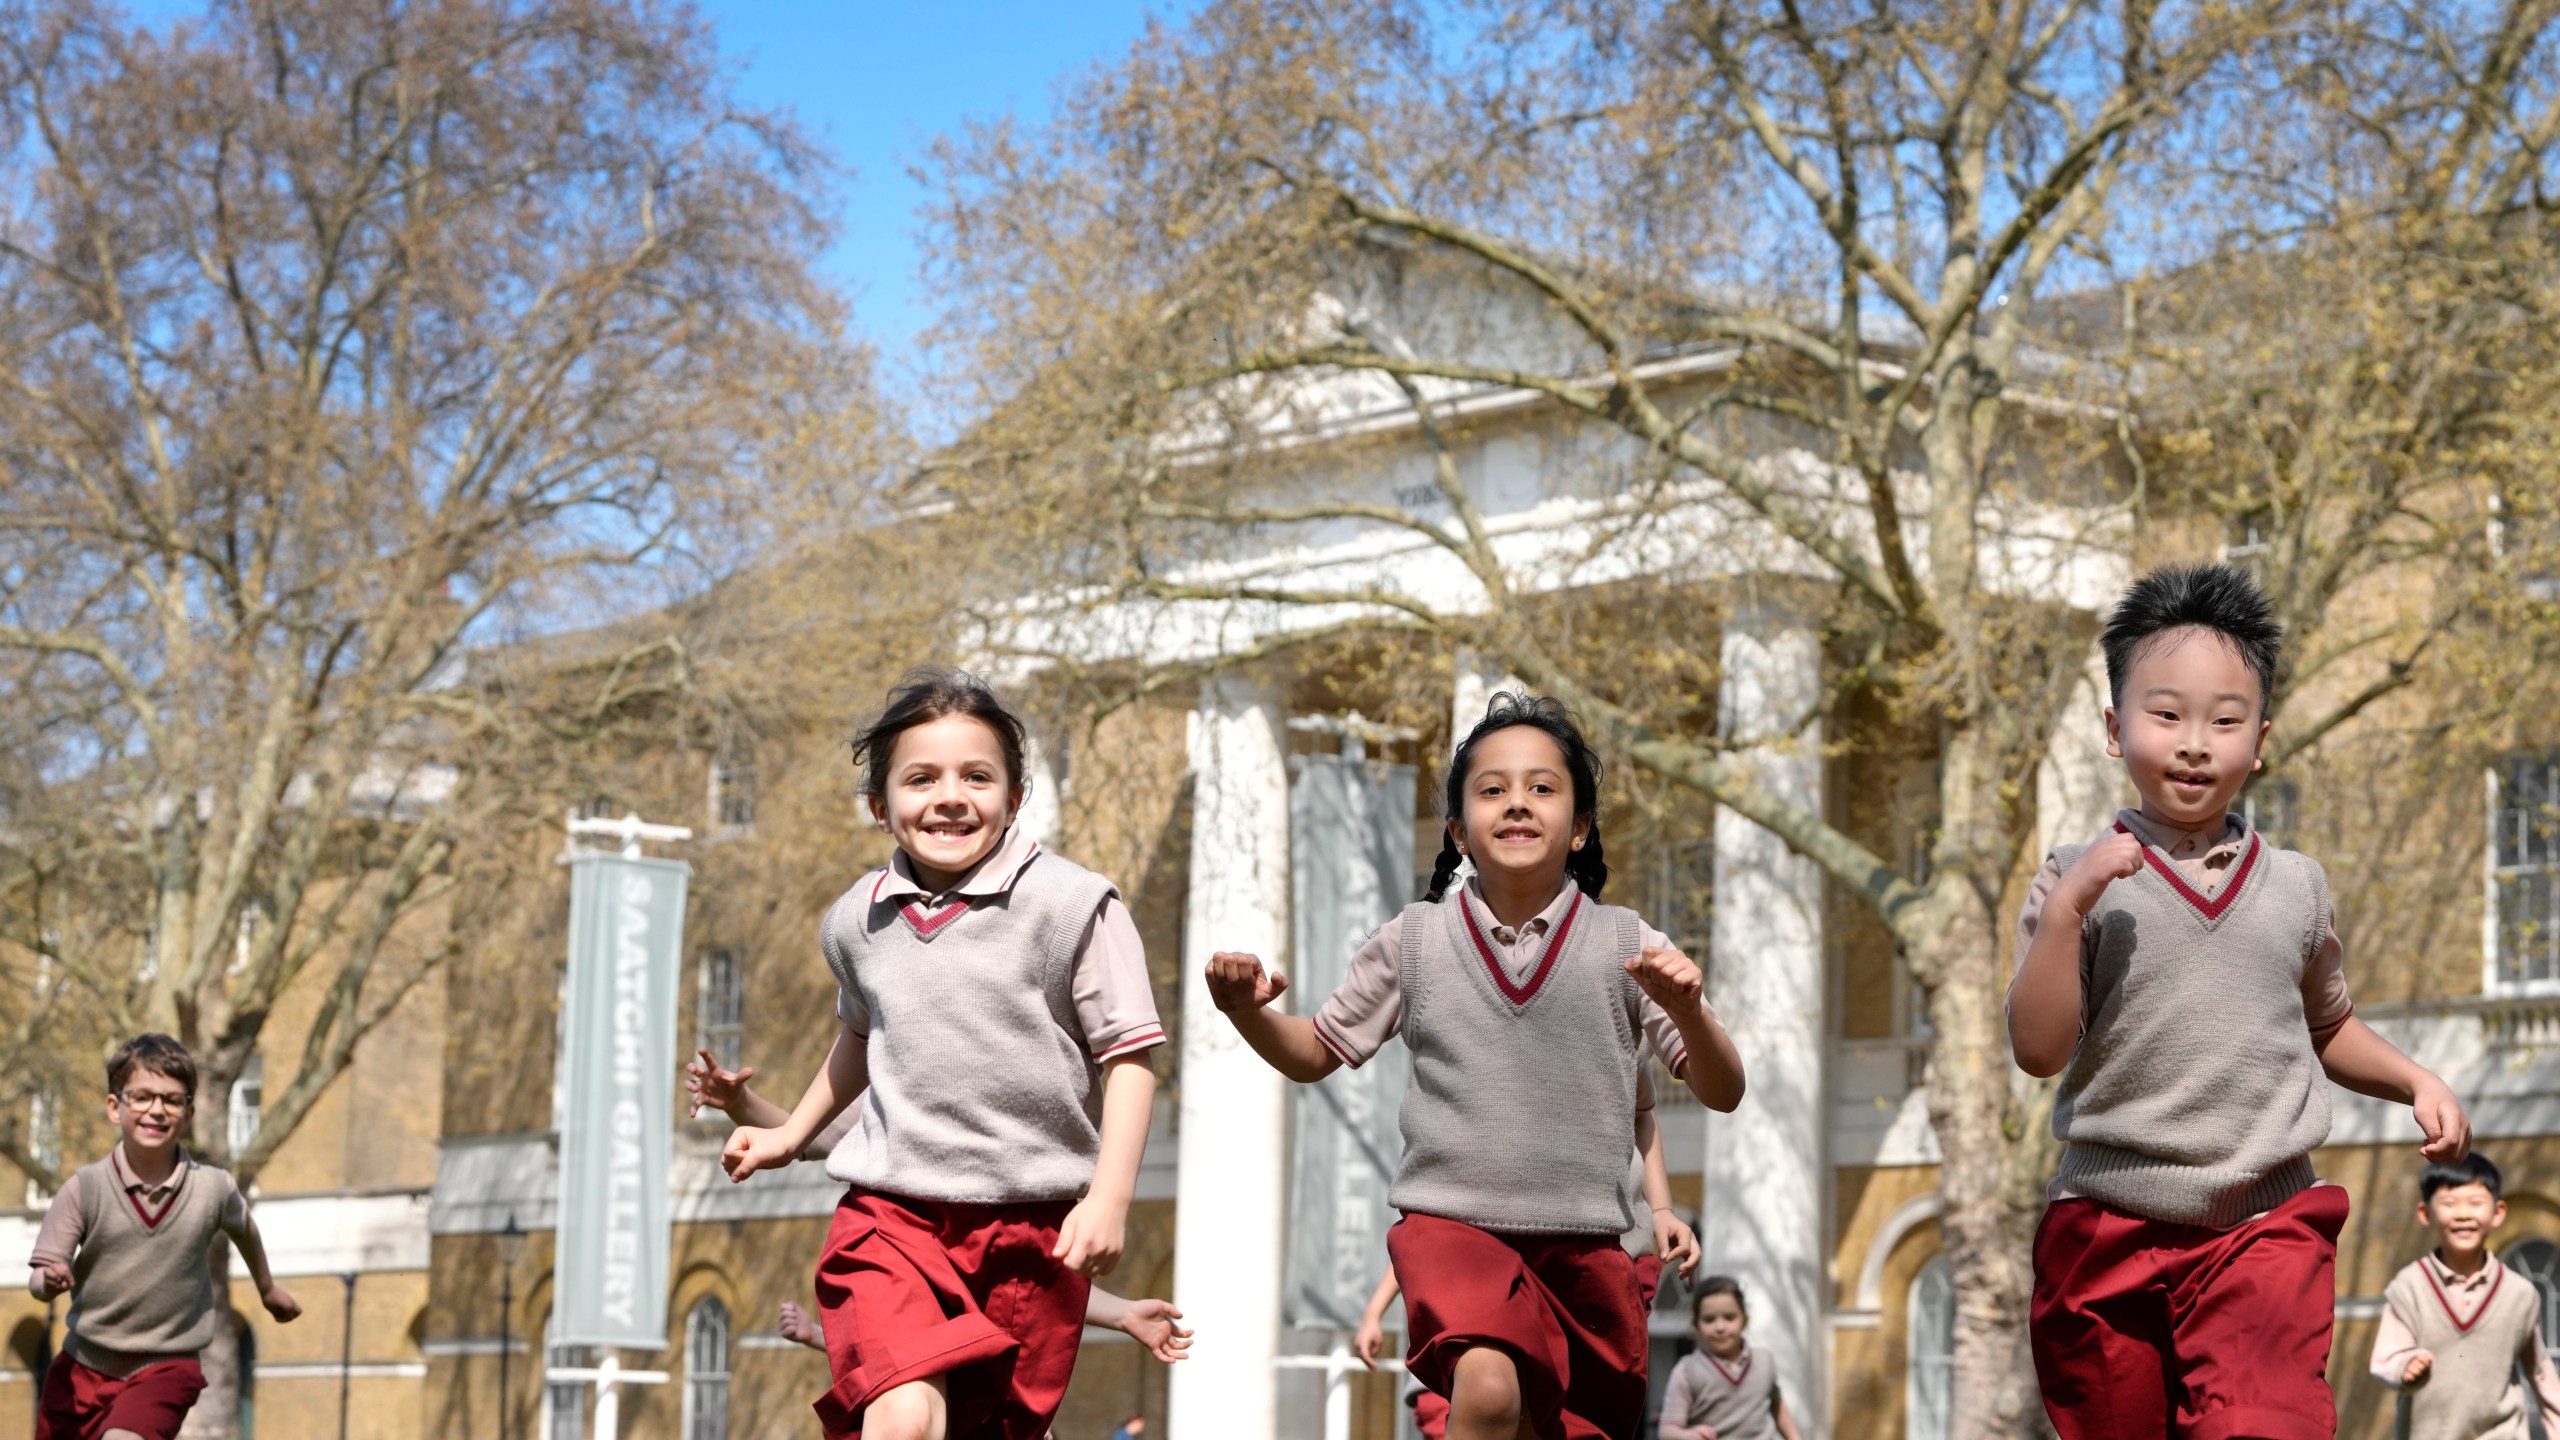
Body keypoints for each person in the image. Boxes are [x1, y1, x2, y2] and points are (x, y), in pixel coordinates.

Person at [2008, 562, 2471, 1440]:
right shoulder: (2076, 877)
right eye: (2166, 714)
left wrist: (2416, 1081)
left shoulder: (2297, 887)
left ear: (2260, 738)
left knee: (2263, 1423)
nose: (2194, 742)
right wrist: (2071, 907)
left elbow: (2327, 1023)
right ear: (2115, 728)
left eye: (2224, 721)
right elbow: (2036, 1049)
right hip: (2106, 1226)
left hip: (2262, 1224)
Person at [1207, 692, 1746, 1440]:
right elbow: (1314, 1054)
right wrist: (1246, 1012)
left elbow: (1722, 1091)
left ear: (1581, 826)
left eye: (1542, 787)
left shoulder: (1628, 943)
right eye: (1492, 789)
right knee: (1488, 1391)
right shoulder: (1415, 939)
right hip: (1453, 1227)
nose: (1517, 802)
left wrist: (1688, 1011)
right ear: (1458, 831)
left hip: (1585, 1246)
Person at [720, 669, 1165, 1440]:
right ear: (880, 806)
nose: (949, 796)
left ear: (1015, 797)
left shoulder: (1073, 907)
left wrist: (1111, 1198)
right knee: (903, 1415)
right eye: (921, 778)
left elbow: (1129, 1058)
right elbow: (860, 1037)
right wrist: (792, 1133)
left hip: (1030, 1230)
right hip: (892, 1214)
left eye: (977, 776)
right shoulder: (854, 922)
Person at [694, 1055, 1193, 1370]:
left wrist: (1124, 1312)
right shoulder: (898, 1073)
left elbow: (1030, 1277)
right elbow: (814, 1134)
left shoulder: (1020, 1132)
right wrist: (743, 1104)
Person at [1350, 1087, 1701, 1440]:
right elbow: (1425, 1242)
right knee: (1492, 1391)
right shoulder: (1457, 1131)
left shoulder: (1617, 1054)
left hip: (1608, 1256)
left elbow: (1646, 1110)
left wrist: (1662, 1210)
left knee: (1571, 1421)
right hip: (1490, 1260)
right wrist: (1373, 1314)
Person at [25, 1034, 302, 1440]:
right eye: (142, 1097)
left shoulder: (213, 1189)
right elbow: (38, 1280)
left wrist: (267, 1288)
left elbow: (245, 1229)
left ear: (188, 1114)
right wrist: (48, 1280)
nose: (157, 1110)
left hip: (165, 1365)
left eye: (172, 1100)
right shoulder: (85, 1188)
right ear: (114, 1107)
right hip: (81, 1369)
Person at [2370, 1153, 2560, 1439]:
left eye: (2475, 1203)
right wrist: (2406, 1366)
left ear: (2498, 1212)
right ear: (2426, 1213)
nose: (2463, 1214)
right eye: (2449, 1204)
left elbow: (2541, 1374)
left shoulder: (2520, 1295)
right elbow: (2386, 1356)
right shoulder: (2409, 1287)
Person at [1657, 1276, 1801, 1440]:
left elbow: (1776, 1404)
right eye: (1709, 1319)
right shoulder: (1687, 1370)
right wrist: (1688, 1435)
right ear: (1696, 1325)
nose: (1720, 1327)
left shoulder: (1764, 1361)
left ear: (1744, 1320)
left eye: (1729, 1317)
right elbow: (1667, 1430)